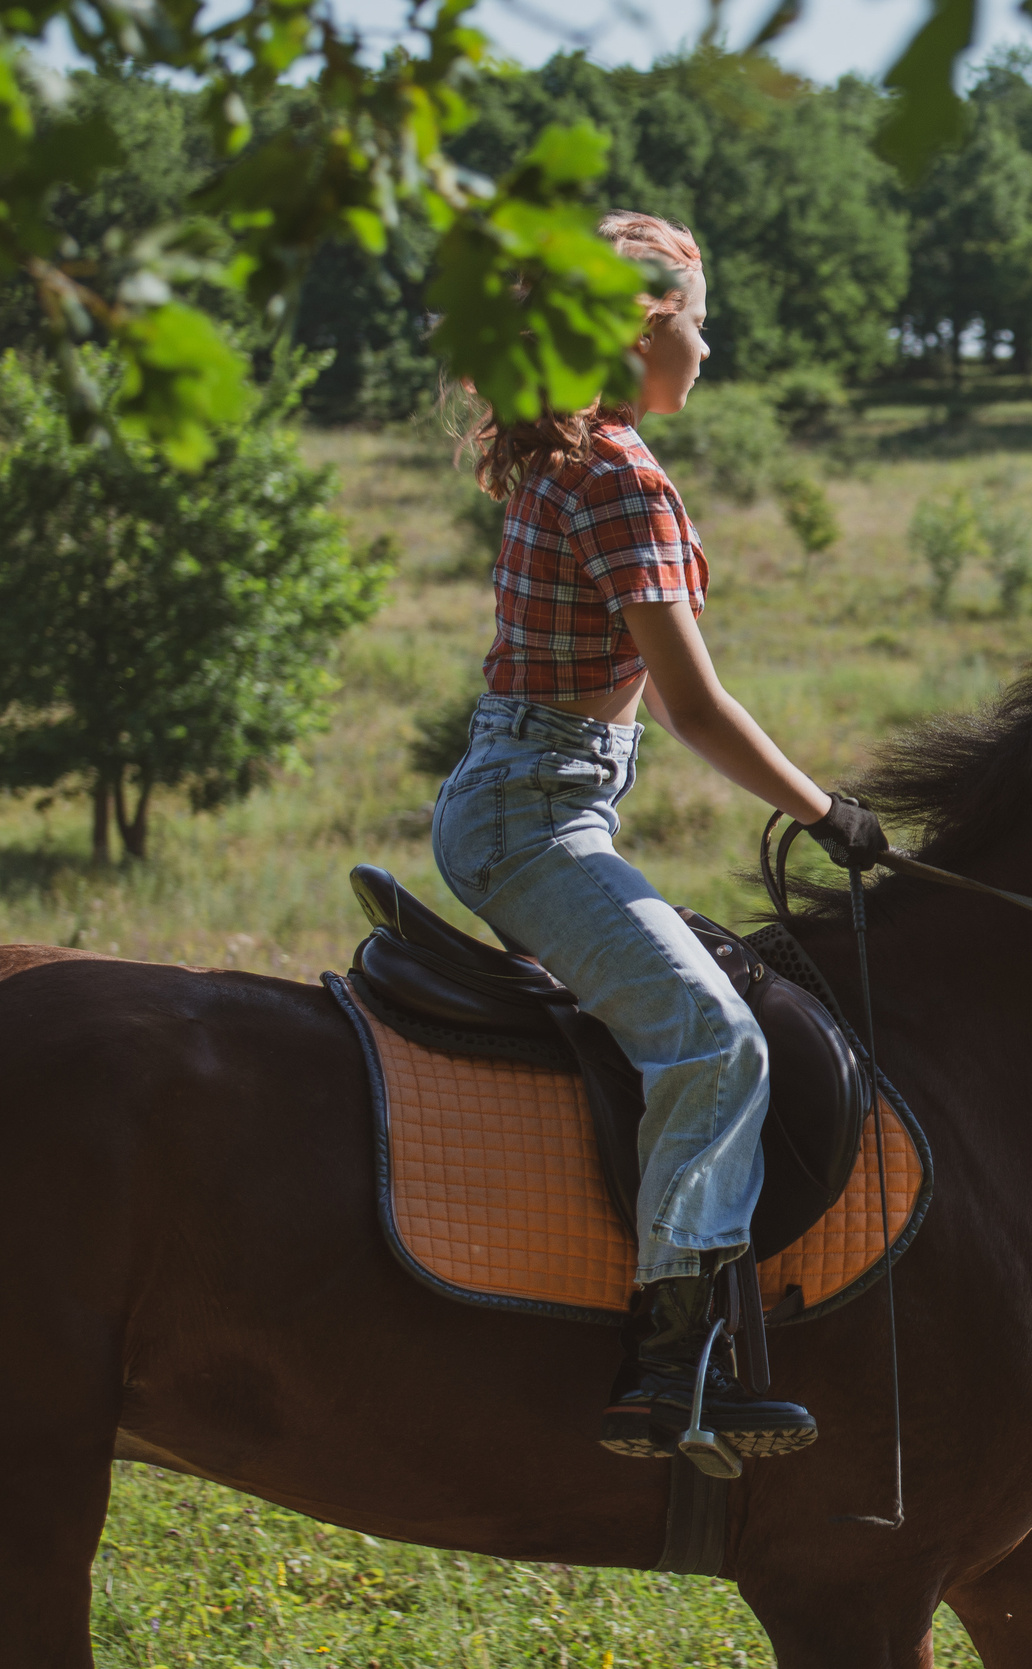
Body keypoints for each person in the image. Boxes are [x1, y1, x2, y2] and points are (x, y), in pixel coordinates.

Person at [432, 211, 883, 1460]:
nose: (707, 343)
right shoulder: (619, 474)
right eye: (696, 318)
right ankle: (671, 1366)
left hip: (529, 794)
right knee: (713, 1037)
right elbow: (692, 706)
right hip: (532, 818)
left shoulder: (567, 454)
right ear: (642, 329)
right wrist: (825, 811)